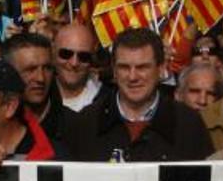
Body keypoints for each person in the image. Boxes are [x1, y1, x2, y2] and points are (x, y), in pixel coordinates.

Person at [61, 28, 213, 162]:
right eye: (124, 67)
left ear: (160, 69)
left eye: (142, 67)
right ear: (114, 70)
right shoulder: (85, 124)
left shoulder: (188, 125)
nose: (133, 77)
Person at [4, 33, 65, 140]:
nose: (40, 78)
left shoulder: (76, 126)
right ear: (9, 72)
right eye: (30, 69)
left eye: (47, 68)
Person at [53, 24, 103, 112]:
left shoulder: (107, 101)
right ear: (53, 53)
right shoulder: (40, 95)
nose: (74, 63)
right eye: (66, 54)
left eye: (83, 56)